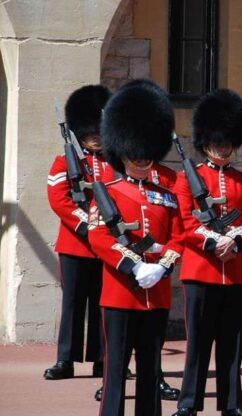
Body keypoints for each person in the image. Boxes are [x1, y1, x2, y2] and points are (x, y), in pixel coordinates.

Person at [89, 81, 184, 416]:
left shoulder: (168, 191)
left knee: (150, 367)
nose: (142, 160)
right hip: (119, 293)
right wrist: (134, 266)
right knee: (116, 368)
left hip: (156, 293)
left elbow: (179, 234)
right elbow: (99, 237)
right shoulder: (109, 191)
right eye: (135, 154)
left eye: (147, 154)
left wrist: (163, 266)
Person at [172, 89, 242, 416]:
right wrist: (212, 242)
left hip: (236, 273)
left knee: (232, 345)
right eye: (217, 141)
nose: (222, 147)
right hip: (201, 272)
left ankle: (231, 403)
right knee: (198, 343)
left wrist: (235, 241)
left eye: (227, 142)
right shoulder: (187, 180)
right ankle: (188, 403)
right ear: (205, 141)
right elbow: (183, 221)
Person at [44, 84, 112, 381]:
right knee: (72, 302)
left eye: (99, 132)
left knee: (103, 302)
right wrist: (86, 223)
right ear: (80, 133)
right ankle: (66, 360)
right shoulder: (65, 161)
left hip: (107, 244)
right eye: (90, 133)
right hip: (75, 244)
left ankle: (101, 358)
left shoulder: (114, 162)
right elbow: (58, 198)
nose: (95, 138)